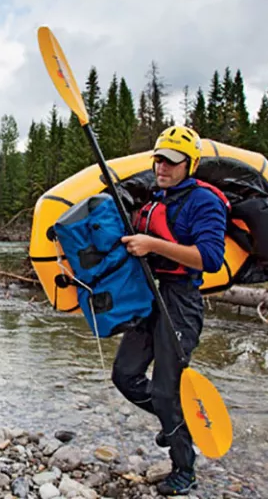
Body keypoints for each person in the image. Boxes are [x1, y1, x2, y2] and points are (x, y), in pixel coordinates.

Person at [114, 125, 229, 495]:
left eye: (172, 162)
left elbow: (210, 259)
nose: (163, 167)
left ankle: (184, 470)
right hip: (149, 297)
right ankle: (175, 422)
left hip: (181, 302)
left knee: (166, 390)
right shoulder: (152, 197)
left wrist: (154, 244)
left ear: (189, 165)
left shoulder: (204, 202)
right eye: (159, 159)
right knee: (125, 374)